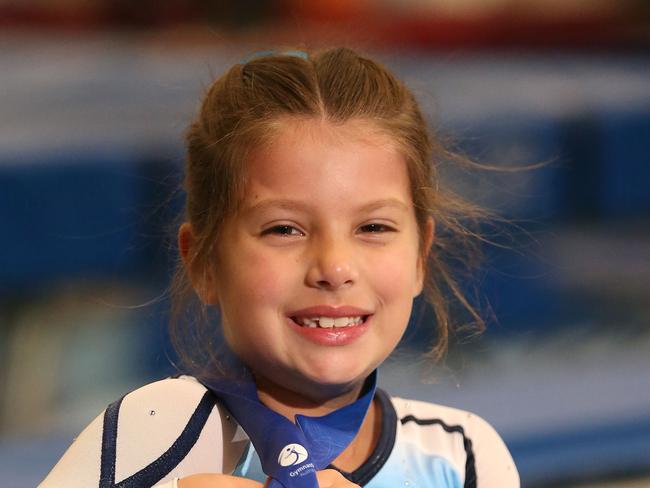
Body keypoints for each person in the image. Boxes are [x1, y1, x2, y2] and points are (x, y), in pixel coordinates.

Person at [40, 47, 519, 488]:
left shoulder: (463, 456)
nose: (334, 267)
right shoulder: (155, 433)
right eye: (284, 230)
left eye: (373, 227)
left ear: (420, 258)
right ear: (203, 262)